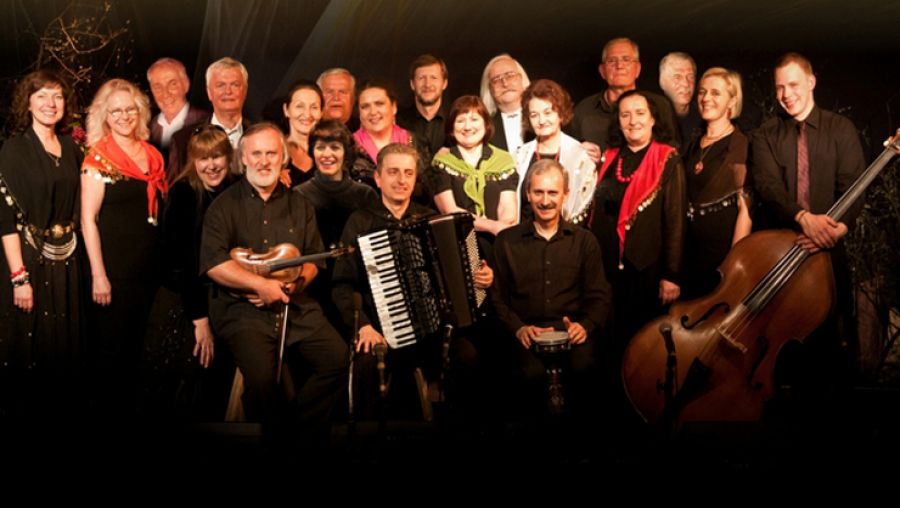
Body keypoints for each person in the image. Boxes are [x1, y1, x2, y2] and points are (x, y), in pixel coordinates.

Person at [200, 123, 347, 448]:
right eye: (256, 154)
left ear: (282, 157)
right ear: (243, 158)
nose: (264, 161)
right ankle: (281, 446)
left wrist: (294, 286)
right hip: (242, 311)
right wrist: (260, 286)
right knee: (264, 382)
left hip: (294, 303)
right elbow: (215, 264)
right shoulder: (223, 206)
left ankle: (291, 435)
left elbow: (313, 261)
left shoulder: (300, 204)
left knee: (337, 360)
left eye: (271, 153)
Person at [332, 143, 493, 420]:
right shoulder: (360, 222)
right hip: (381, 332)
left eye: (408, 173)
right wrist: (364, 326)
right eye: (393, 172)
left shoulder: (430, 219)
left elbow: (461, 275)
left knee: (466, 355)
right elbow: (342, 285)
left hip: (432, 333)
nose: (401, 180)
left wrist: (482, 277)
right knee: (366, 363)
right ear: (378, 178)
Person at [751, 53, 865, 395]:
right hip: (782, 251)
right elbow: (768, 187)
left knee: (832, 344)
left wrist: (836, 230)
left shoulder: (840, 128)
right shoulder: (766, 133)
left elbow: (854, 186)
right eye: (779, 88)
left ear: (812, 82)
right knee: (783, 343)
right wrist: (803, 219)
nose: (786, 95)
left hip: (829, 252)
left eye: (794, 85)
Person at [492, 159, 611, 421]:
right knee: (529, 376)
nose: (545, 201)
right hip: (526, 334)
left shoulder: (585, 241)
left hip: (571, 334)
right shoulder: (506, 241)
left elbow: (600, 297)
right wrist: (518, 328)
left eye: (552, 193)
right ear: (527, 194)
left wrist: (585, 326)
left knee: (585, 368)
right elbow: (497, 298)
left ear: (565, 194)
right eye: (538, 192)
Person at [0, 70, 84, 419]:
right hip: (29, 261)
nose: (51, 103)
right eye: (42, 96)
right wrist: (19, 277)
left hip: (68, 260)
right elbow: (5, 220)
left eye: (57, 96)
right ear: (28, 103)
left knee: (66, 348)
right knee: (31, 349)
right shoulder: (14, 149)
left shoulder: (72, 147)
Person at [81, 78, 168, 415]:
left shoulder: (153, 155)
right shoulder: (98, 159)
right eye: (115, 111)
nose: (124, 116)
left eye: (130, 109)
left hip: (149, 271)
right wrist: (99, 276)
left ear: (140, 111)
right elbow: (88, 220)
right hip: (114, 273)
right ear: (105, 116)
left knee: (142, 354)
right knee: (112, 356)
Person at [140, 125, 235, 419]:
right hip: (182, 302)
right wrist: (199, 319)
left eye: (217, 156)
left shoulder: (234, 189)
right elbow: (180, 260)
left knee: (209, 391)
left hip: (217, 299)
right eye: (203, 158)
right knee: (175, 385)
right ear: (193, 160)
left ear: (229, 157)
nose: (211, 165)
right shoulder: (183, 194)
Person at [588, 89, 686, 343]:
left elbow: (675, 220)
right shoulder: (610, 157)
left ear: (653, 118)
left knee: (641, 342)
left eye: (640, 113)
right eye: (625, 115)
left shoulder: (668, 158)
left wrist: (671, 275)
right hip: (606, 269)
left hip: (646, 270)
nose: (633, 121)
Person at [296, 120, 376, 335]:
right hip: (314, 290)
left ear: (345, 152)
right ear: (312, 151)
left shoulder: (365, 194)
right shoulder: (299, 195)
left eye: (335, 147)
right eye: (320, 147)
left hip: (356, 289)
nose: (327, 154)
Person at [680, 67, 751, 298]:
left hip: (718, 255)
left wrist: (734, 265)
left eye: (715, 93)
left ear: (732, 100)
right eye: (702, 92)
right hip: (686, 252)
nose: (706, 98)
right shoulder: (691, 143)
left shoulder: (739, 146)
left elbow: (745, 210)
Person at [431, 95, 518, 260]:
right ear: (451, 128)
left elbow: (508, 209)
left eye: (474, 119)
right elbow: (450, 211)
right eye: (460, 121)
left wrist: (501, 230)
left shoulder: (503, 160)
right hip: (459, 246)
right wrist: (492, 226)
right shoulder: (441, 163)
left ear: (486, 124)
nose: (467, 126)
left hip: (498, 242)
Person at [570, 37, 679, 160]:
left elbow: (672, 152)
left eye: (626, 59)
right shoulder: (584, 109)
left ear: (638, 69)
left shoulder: (659, 105)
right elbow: (569, 156)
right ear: (602, 71)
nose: (619, 65)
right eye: (612, 61)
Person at [516, 79, 596, 224]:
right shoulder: (520, 156)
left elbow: (582, 210)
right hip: (524, 235)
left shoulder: (580, 156)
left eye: (548, 113)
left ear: (561, 114)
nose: (541, 120)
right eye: (534, 115)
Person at [168, 57, 251, 179]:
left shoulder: (260, 137)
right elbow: (174, 188)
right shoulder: (183, 141)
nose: (228, 91)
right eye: (220, 85)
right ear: (209, 92)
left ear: (245, 91)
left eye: (235, 85)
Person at [350, 80, 428, 203]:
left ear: (394, 107)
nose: (373, 112)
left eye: (379, 104)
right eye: (365, 106)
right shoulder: (348, 146)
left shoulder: (415, 142)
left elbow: (426, 190)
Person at [146, 58, 208, 158]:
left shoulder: (206, 121)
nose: (165, 94)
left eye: (172, 84)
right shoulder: (149, 128)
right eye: (158, 87)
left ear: (186, 84)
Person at [480, 53, 532, 154]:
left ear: (522, 79)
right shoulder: (484, 128)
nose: (505, 83)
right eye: (496, 79)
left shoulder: (541, 117)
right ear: (489, 88)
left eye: (510, 75)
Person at [281, 80, 324, 187]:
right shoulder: (273, 150)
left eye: (314, 107)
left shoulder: (330, 151)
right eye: (299, 106)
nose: (307, 114)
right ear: (286, 110)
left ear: (321, 112)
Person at [659, 52, 701, 148]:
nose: (686, 84)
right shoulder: (651, 118)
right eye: (677, 77)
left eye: (690, 77)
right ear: (662, 82)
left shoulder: (704, 118)